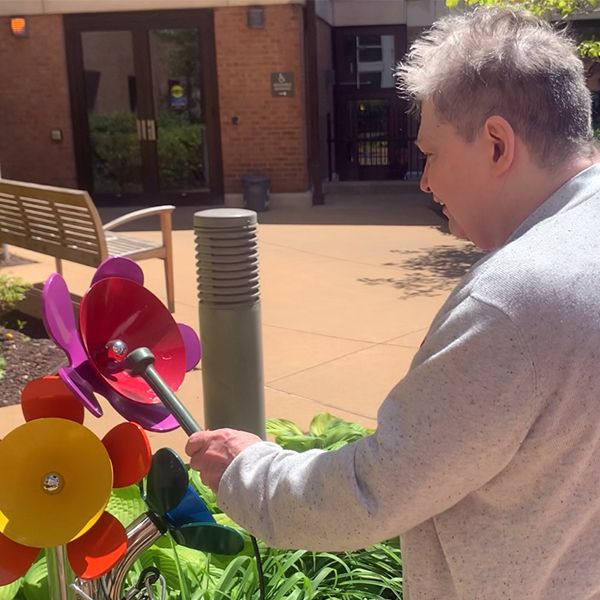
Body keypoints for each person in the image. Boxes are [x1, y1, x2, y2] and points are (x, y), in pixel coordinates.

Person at [186, 7, 600, 598]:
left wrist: (246, 468)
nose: (425, 182)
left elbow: (370, 494)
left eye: (431, 154)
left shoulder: (515, 305)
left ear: (497, 144)